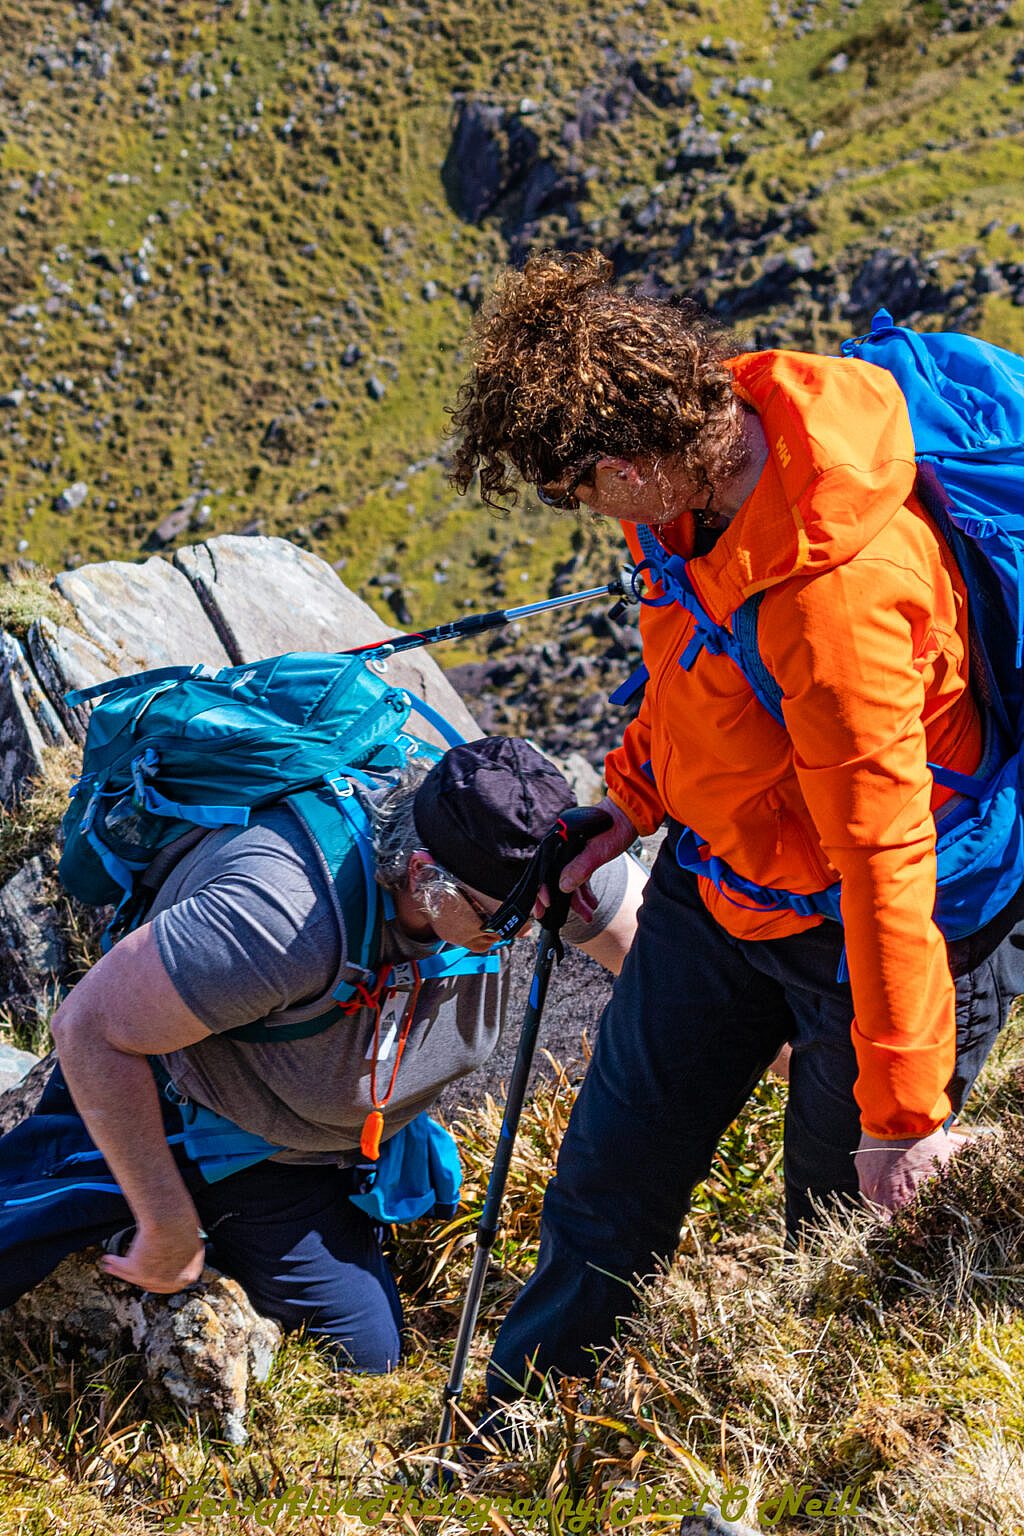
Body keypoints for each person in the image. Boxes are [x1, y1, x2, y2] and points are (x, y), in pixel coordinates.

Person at [446, 250, 1024, 1395]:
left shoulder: (835, 602)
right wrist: (629, 801)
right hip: (723, 885)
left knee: (837, 1234)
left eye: (575, 492)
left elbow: (883, 857)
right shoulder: (689, 487)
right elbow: (695, 679)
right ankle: (501, 1438)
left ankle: (795, 1456)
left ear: (624, 463)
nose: (580, 515)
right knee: (606, 1187)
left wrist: (903, 1116)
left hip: (889, 937)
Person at [0, 735, 644, 1373]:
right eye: (505, 922)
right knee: (367, 1357)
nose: (531, 930)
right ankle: (148, 1209)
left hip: (335, 1141)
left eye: (545, 909)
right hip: (214, 1128)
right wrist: (163, 1217)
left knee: (369, 1354)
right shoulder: (281, 918)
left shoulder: (529, 859)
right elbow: (89, 1028)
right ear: (425, 875)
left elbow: (657, 955)